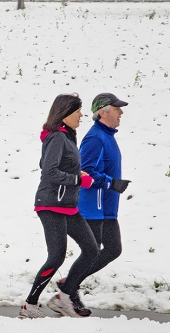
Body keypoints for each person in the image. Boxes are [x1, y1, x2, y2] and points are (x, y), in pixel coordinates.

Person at [18, 93, 99, 319]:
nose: (81, 115)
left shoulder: (66, 137)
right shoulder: (56, 137)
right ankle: (30, 305)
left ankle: (65, 295)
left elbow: (48, 163)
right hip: (51, 204)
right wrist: (77, 179)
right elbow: (49, 171)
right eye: (77, 111)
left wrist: (76, 172)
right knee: (56, 256)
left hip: (67, 204)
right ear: (64, 113)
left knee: (91, 249)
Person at [74, 94, 129, 297]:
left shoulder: (107, 136)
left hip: (106, 207)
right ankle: (69, 290)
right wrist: (112, 183)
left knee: (113, 249)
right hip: (93, 207)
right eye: (117, 108)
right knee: (92, 252)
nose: (121, 112)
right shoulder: (95, 138)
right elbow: (85, 171)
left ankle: (69, 284)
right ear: (103, 111)